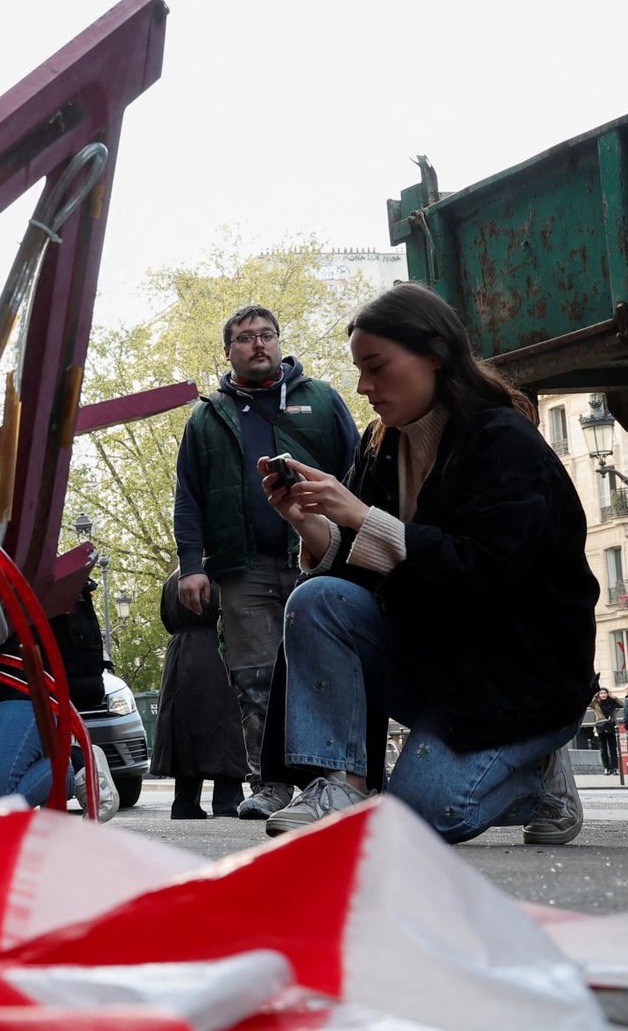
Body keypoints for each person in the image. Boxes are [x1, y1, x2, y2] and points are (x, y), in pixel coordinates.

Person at [254, 283, 598, 844]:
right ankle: (343, 782)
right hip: (445, 662)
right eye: (360, 370)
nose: (364, 387)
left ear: (434, 357)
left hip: (520, 673)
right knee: (316, 599)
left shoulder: (504, 442)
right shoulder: (382, 445)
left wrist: (363, 516)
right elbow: (364, 577)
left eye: (376, 367)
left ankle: (536, 770)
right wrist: (307, 519)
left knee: (426, 816)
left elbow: (486, 573)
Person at [173, 305, 360, 822]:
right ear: (228, 350)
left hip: (320, 557)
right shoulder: (207, 416)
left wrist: (356, 538)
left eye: (267, 335)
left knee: (322, 668)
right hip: (242, 567)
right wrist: (193, 565)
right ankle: (271, 783)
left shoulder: (320, 399)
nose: (259, 344)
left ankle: (332, 780)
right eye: (246, 338)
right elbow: (188, 496)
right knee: (254, 677)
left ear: (279, 342)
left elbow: (357, 471)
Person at [150, 571, 246, 818]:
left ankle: (184, 802)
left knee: (184, 726)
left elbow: (166, 620)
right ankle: (227, 801)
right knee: (225, 726)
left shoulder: (174, 578)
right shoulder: (222, 573)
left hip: (180, 655)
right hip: (218, 650)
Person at [592, 687, 622, 776]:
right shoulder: (596, 703)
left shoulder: (612, 702)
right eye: (601, 693)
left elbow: (622, 705)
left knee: (613, 749)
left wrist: (614, 697)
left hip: (611, 727)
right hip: (600, 727)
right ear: (599, 695)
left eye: (604, 693)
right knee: (603, 750)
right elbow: (588, 704)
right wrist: (594, 697)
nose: (603, 695)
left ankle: (615, 768)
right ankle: (606, 768)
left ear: (607, 694)